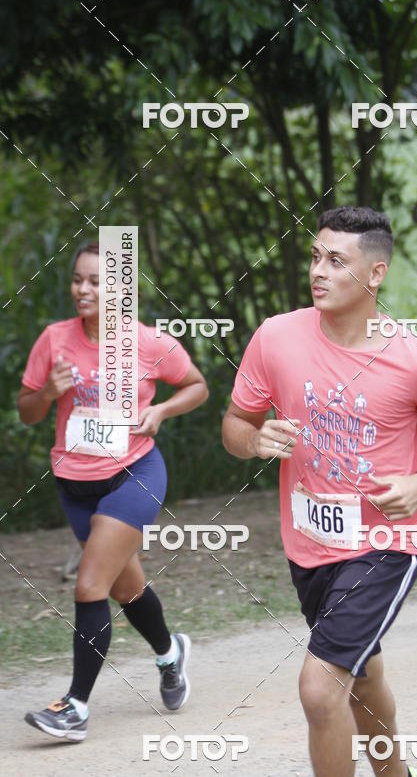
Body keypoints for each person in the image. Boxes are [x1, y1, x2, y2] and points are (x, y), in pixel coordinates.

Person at [222, 207, 417, 777]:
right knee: (362, 676)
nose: (319, 271)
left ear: (376, 273)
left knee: (319, 689)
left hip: (386, 542)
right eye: (316, 256)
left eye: (337, 261)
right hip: (309, 545)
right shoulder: (275, 337)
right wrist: (254, 440)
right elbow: (235, 424)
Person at [18, 241, 209, 741]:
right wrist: (48, 392)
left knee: (89, 585)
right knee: (126, 589)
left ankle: (74, 707)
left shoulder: (148, 342)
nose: (83, 289)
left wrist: (161, 411)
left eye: (96, 282)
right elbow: (27, 411)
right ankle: (170, 654)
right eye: (77, 279)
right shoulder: (54, 339)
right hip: (75, 484)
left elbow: (197, 386)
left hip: (134, 473)